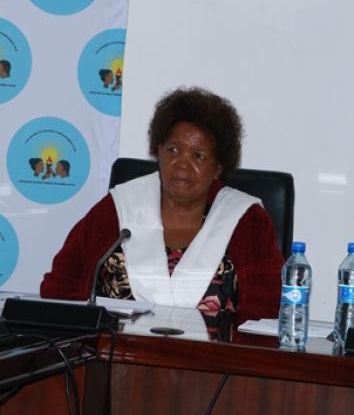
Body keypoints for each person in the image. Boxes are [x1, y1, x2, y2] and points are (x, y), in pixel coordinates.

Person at [40, 87, 284, 323]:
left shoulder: (247, 221)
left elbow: (268, 310)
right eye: (173, 150)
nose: (182, 164)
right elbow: (60, 288)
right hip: (114, 350)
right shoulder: (118, 208)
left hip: (216, 352)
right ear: (159, 151)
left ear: (218, 167)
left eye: (198, 156)